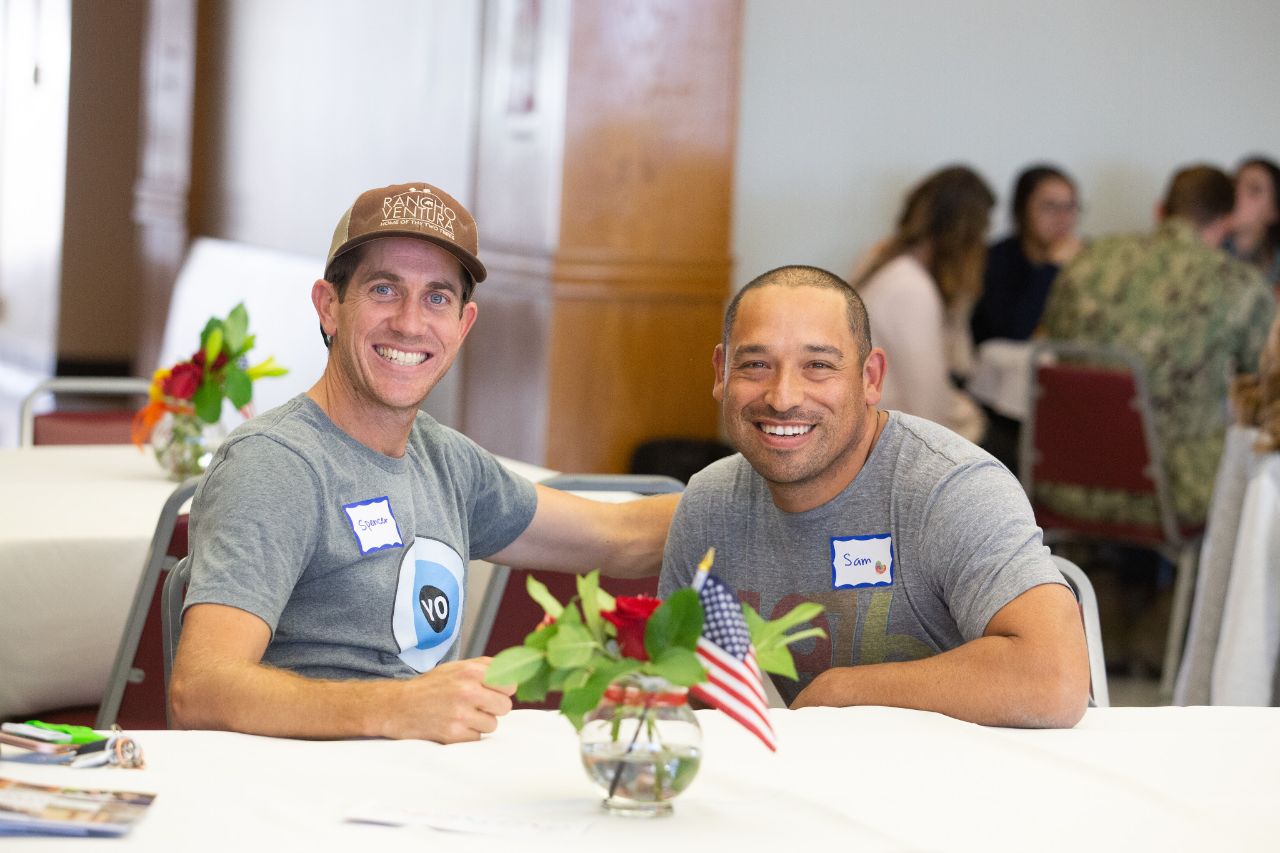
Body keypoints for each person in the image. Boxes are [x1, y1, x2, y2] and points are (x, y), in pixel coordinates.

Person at [169, 182, 680, 743]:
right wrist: (396, 707)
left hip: (423, 788)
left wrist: (778, 488)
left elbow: (622, 536)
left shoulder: (445, 460)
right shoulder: (277, 465)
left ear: (463, 326)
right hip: (308, 799)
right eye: (384, 289)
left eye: (437, 297)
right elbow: (201, 690)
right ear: (329, 306)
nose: (411, 323)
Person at [658, 265, 1089, 729]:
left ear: (870, 378)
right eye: (755, 365)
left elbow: (1055, 679)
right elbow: (675, 699)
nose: (782, 397)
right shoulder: (709, 503)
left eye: (818, 366)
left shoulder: (951, 487)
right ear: (721, 373)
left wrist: (842, 692)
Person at [1041, 164, 1276, 528]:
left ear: (1162, 208)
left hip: (1064, 479)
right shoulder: (1238, 285)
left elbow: (1054, 343)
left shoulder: (1087, 261)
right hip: (1174, 491)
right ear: (1226, 219)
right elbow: (1266, 384)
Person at [851, 166, 993, 444]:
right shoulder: (911, 288)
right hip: (885, 430)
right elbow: (929, 407)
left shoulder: (883, 261)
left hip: (878, 418)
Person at [971, 164, 1082, 345]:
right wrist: (1051, 268)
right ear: (1021, 210)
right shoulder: (994, 259)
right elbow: (1012, 332)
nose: (1063, 218)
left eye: (1070, 207)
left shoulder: (1088, 260)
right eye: (1050, 207)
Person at [1225, 155, 1280, 293]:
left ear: (1274, 212)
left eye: (1254, 190)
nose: (1236, 193)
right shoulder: (1204, 251)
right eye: (1234, 184)